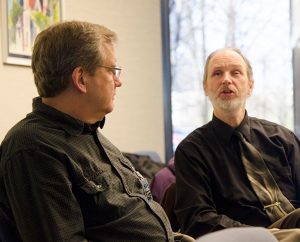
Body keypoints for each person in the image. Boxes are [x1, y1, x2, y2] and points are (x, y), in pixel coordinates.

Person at [0, 21, 195, 242]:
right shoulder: (33, 147)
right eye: (113, 71)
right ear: (81, 78)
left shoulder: (90, 133)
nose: (118, 82)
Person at [174, 47, 300, 241]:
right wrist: (259, 235)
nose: (226, 80)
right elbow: (197, 220)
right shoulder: (191, 151)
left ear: (250, 86)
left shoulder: (282, 139)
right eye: (217, 73)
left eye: (236, 72)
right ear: (205, 87)